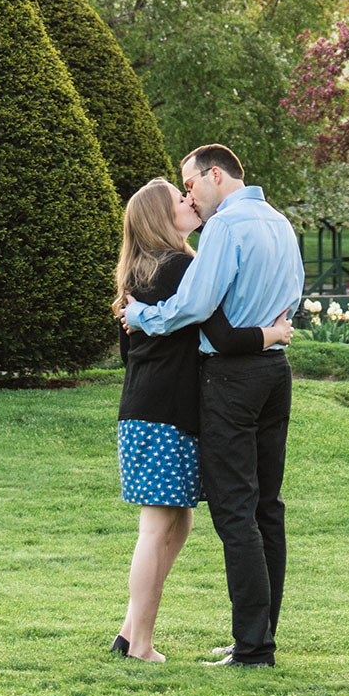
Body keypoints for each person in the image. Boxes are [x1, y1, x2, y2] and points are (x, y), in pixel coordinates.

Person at [122, 144, 305, 669]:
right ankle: (259, 636)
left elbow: (200, 307)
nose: (191, 197)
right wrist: (270, 333)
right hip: (274, 370)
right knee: (268, 507)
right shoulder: (279, 223)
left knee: (236, 512)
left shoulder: (225, 227)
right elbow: (292, 296)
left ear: (215, 175)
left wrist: (146, 318)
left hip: (231, 377)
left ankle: (252, 648)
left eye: (191, 183)